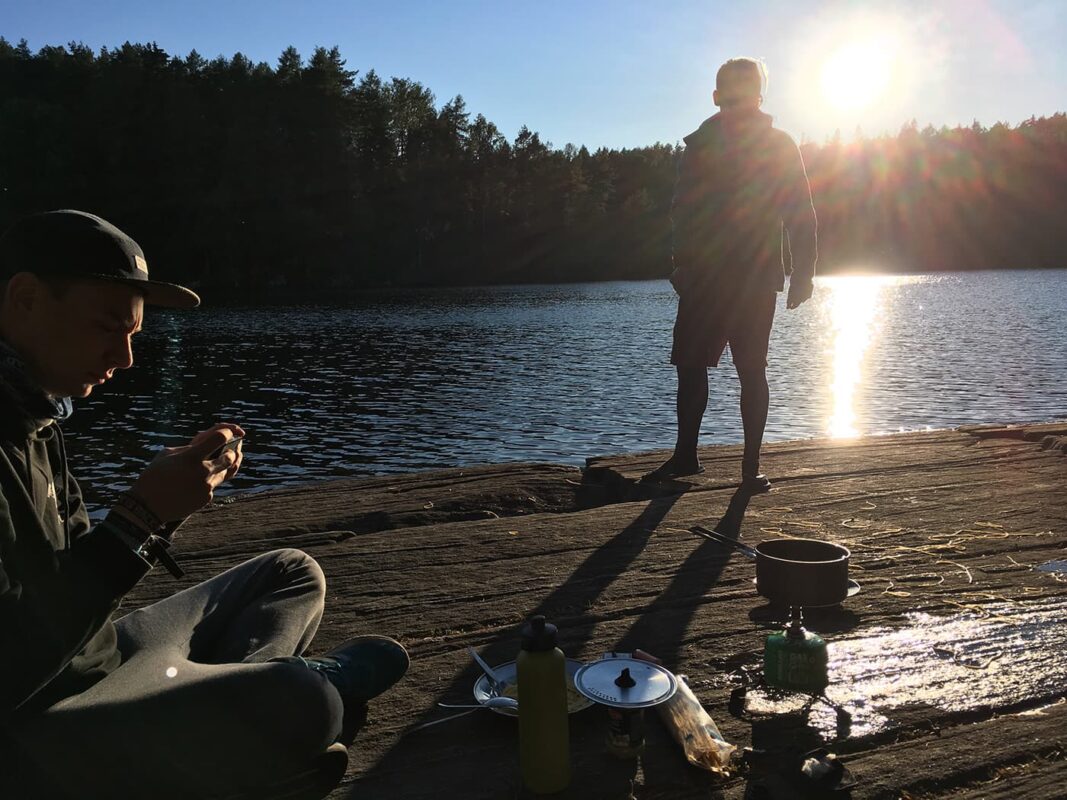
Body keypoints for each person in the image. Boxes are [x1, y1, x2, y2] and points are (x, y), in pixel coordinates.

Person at [0, 210, 409, 799]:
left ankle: (244, 702)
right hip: (33, 728)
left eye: (134, 334)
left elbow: (67, 575)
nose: (126, 357)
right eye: (108, 326)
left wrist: (159, 512)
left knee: (291, 573)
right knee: (306, 702)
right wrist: (141, 517)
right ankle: (275, 703)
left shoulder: (35, 411)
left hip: (93, 657)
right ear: (27, 298)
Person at [645, 57, 818, 491]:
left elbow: (801, 214)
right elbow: (683, 210)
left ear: (759, 97)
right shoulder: (700, 145)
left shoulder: (779, 145)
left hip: (756, 275)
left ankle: (751, 469)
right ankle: (686, 458)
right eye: (730, 94)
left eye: (747, 93)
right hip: (703, 273)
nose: (739, 102)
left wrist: (803, 275)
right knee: (689, 364)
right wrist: (680, 263)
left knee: (751, 369)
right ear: (717, 96)